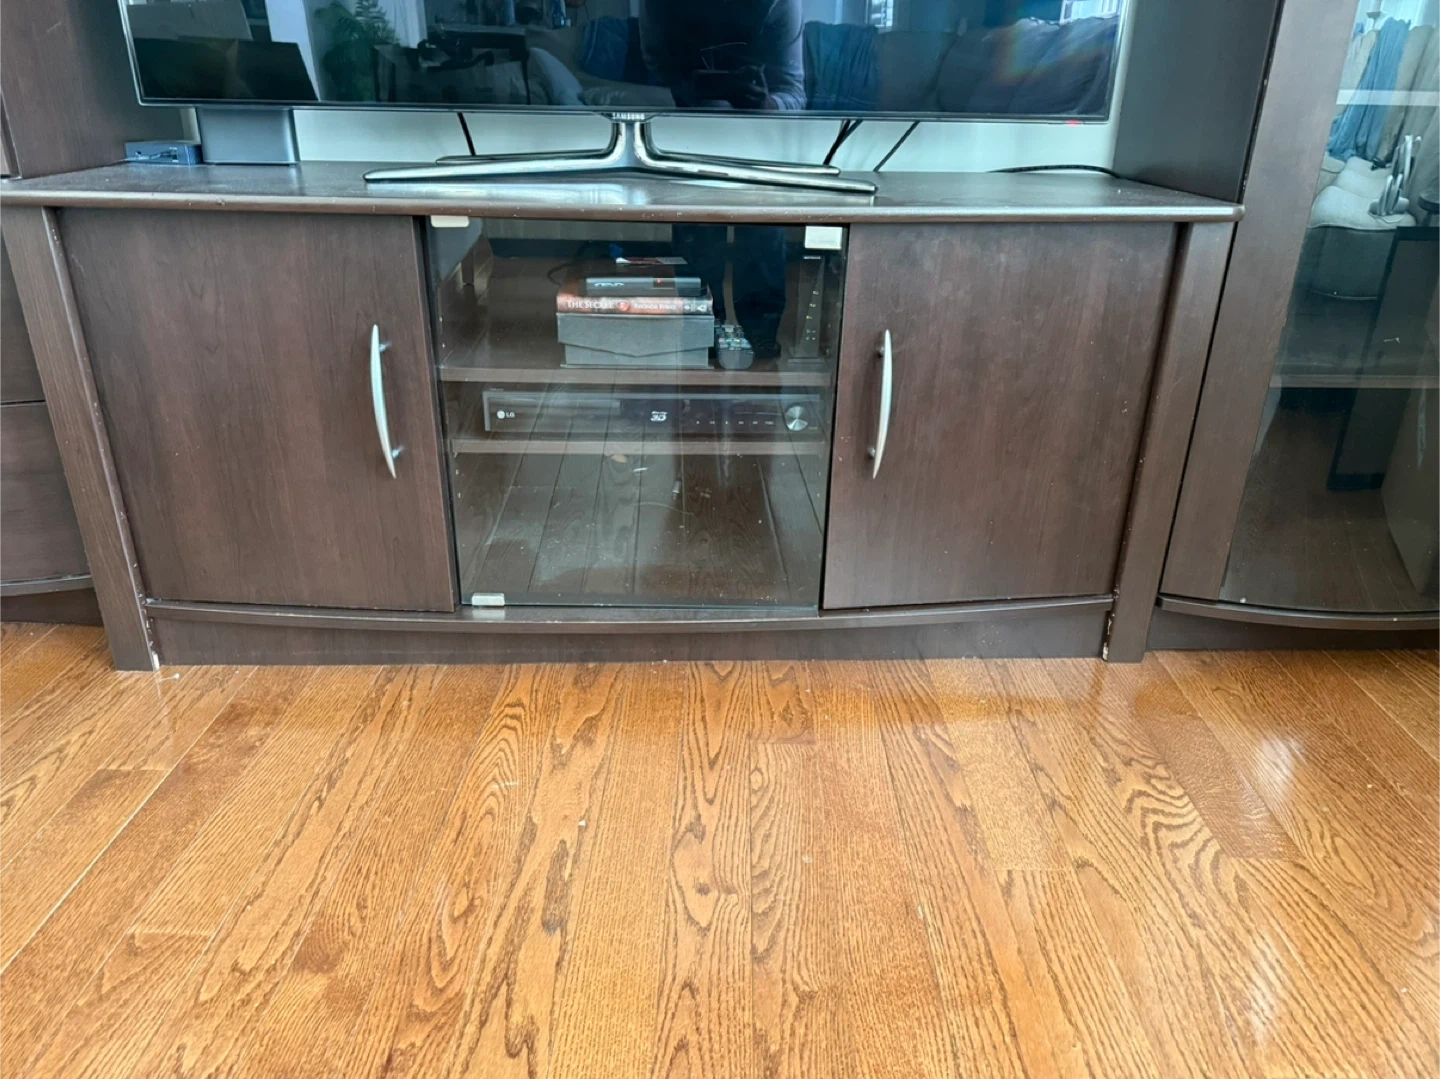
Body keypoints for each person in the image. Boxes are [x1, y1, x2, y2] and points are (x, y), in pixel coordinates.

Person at [640, 0, 805, 358]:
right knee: (697, 245)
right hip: (682, 139)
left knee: (761, 240)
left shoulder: (780, 4)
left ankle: (757, 341)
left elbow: (795, 93)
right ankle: (703, 335)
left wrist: (764, 105)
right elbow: (649, 74)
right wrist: (685, 92)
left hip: (760, 146)